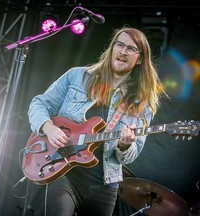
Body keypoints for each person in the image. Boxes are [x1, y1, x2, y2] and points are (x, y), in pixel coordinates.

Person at [27, 26, 164, 216]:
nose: (123, 51)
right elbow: (39, 103)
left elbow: (132, 153)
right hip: (64, 171)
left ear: (140, 58)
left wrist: (125, 146)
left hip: (105, 184)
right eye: (120, 45)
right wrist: (48, 127)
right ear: (112, 48)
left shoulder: (141, 102)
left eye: (131, 49)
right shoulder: (78, 76)